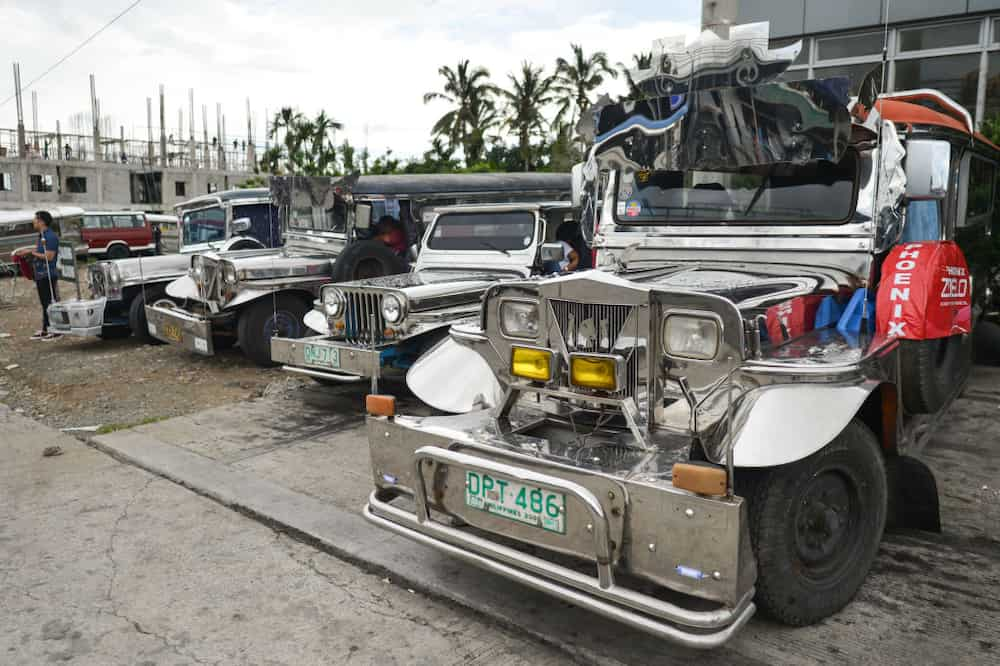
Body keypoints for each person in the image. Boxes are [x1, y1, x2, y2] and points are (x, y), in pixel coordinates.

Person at [29, 210, 60, 340]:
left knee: (50, 302)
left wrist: (31, 253)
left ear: (41, 221)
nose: (33, 221)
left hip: (48, 274)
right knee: (44, 303)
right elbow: (39, 252)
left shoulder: (50, 236)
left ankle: (56, 329)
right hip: (40, 274)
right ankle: (46, 328)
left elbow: (49, 256)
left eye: (35, 219)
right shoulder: (40, 235)